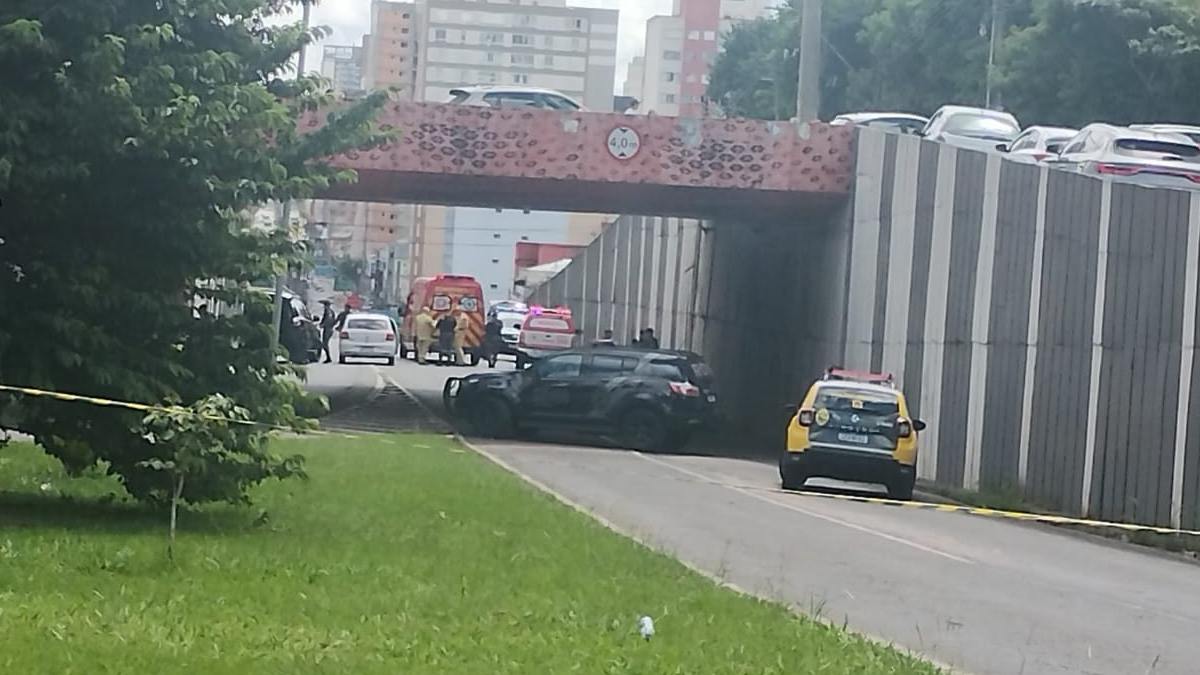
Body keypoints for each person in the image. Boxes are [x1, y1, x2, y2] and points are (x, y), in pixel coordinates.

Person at [318, 299, 337, 364]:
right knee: (325, 344)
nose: (324, 307)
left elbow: (328, 320)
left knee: (325, 344)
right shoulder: (331, 312)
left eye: (325, 305)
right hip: (329, 328)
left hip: (328, 329)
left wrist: (323, 325)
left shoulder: (328, 312)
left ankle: (328, 358)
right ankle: (328, 357)